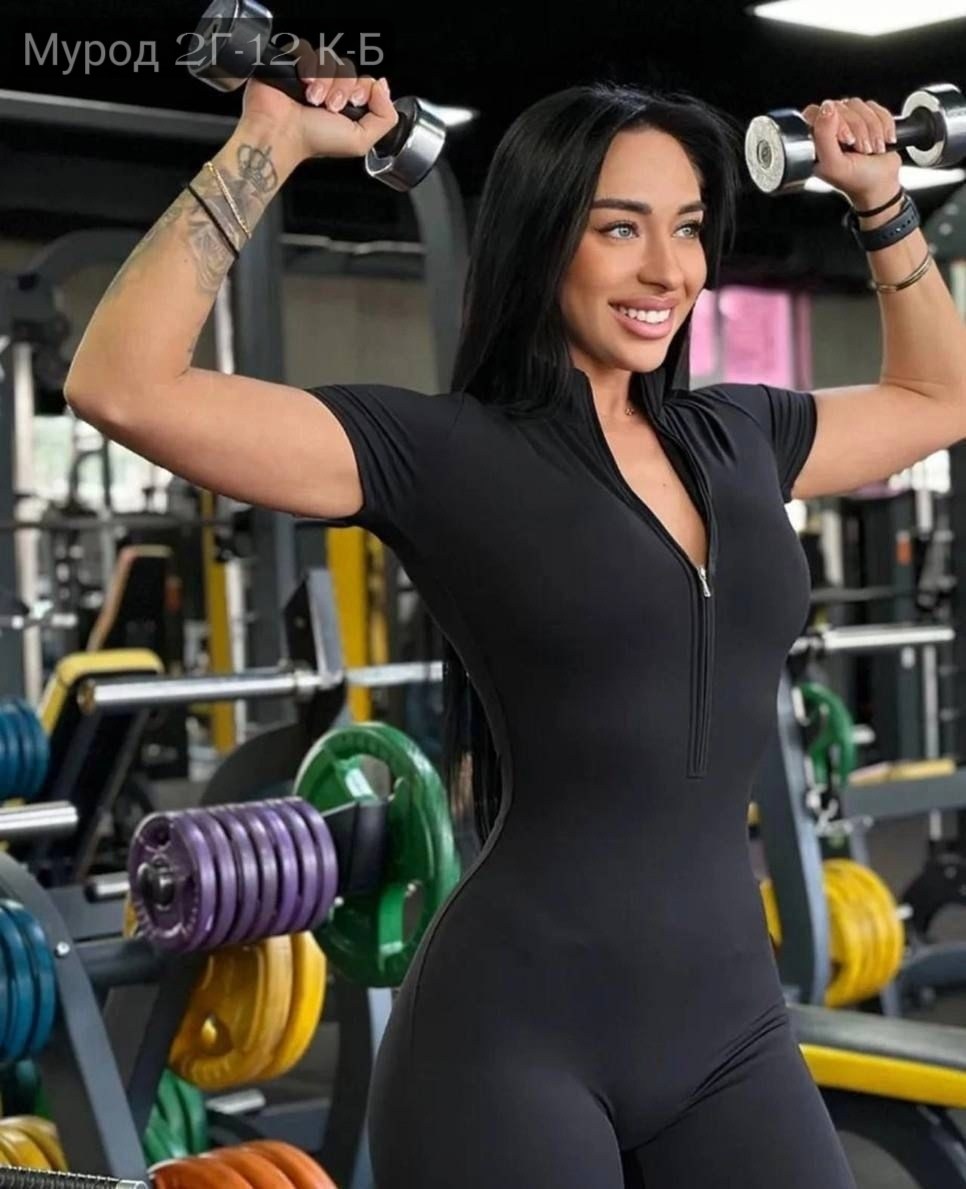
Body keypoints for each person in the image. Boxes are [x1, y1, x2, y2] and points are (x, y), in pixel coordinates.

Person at [65, 48, 966, 1185]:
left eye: (688, 228)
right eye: (619, 228)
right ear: (544, 240)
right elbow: (123, 386)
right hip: (511, 1042)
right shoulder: (445, 456)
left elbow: (940, 397)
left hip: (729, 1030)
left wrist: (881, 202)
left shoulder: (741, 435)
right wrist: (268, 145)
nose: (667, 269)